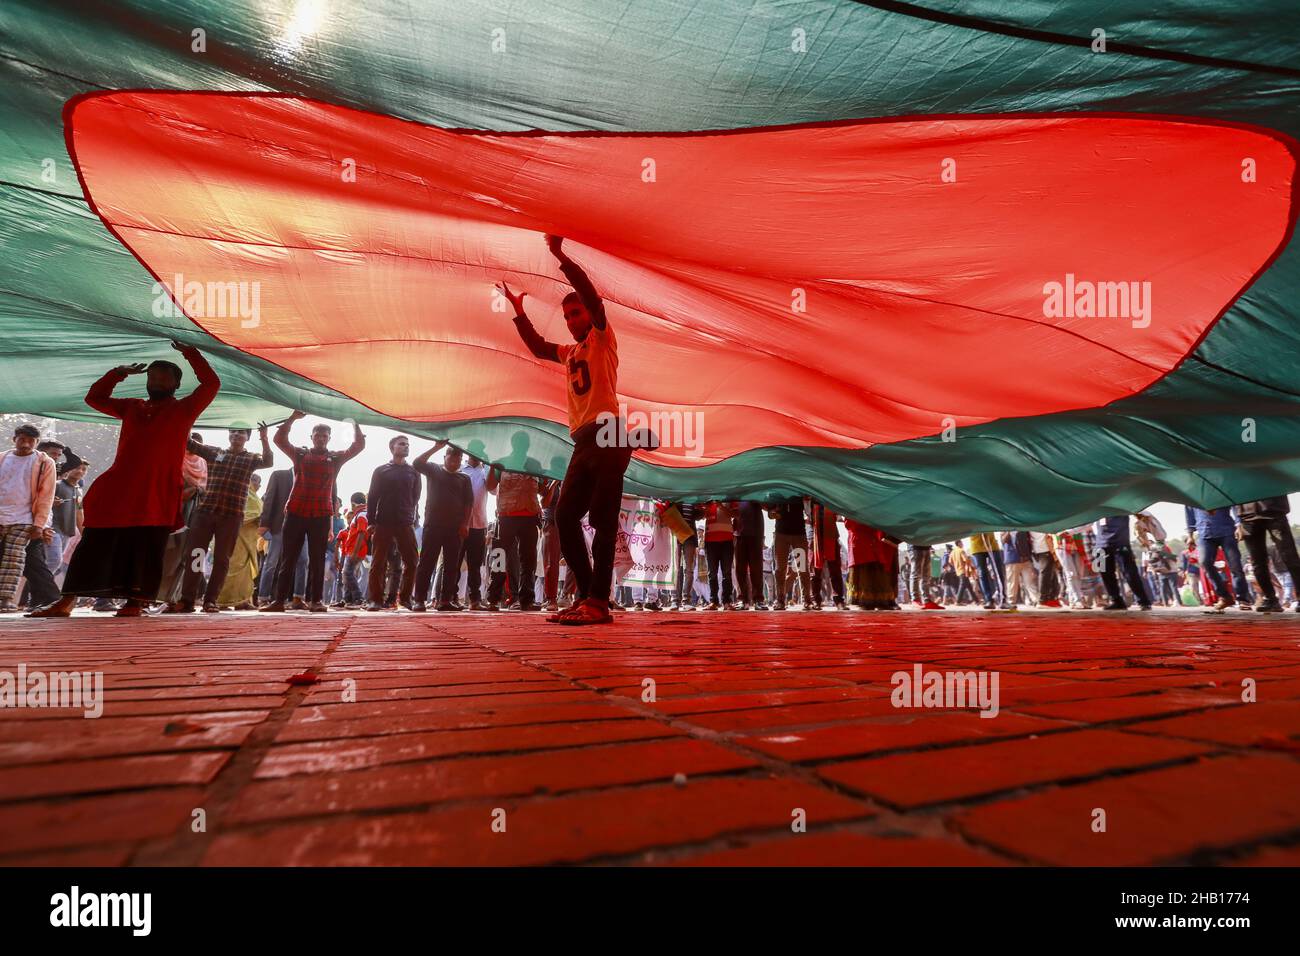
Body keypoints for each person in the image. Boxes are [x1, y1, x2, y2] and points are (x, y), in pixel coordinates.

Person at [498, 234, 633, 625]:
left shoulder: (603, 339)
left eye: (578, 314)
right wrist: (519, 312)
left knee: (604, 519)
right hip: (584, 440)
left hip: (610, 434)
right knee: (566, 515)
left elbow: (592, 298)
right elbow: (540, 348)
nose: (574, 320)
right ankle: (590, 595)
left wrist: (560, 255)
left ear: (589, 316)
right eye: (568, 316)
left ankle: (598, 601)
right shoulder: (570, 351)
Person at [30, 343, 220, 617]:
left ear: (176, 384)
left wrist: (192, 354)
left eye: (164, 377)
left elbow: (211, 383)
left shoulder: (185, 409)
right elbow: (94, 398)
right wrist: (118, 373)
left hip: (156, 491)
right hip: (119, 488)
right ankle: (66, 601)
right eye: (152, 377)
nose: (156, 381)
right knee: (94, 541)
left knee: (146, 546)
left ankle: (136, 602)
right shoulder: (132, 407)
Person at [260, 413, 364, 613]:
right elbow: (279, 440)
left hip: (321, 515)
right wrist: (292, 418)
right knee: (287, 558)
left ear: (329, 438)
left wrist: (355, 423)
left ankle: (316, 601)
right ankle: (279, 601)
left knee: (317, 560)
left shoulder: (334, 458)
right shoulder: (300, 454)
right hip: (295, 512)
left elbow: (357, 446)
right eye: (318, 434)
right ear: (312, 437)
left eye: (325, 435)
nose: (321, 438)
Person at [167, 424, 273, 613]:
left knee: (222, 559)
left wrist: (264, 438)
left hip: (231, 516)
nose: (236, 435)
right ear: (229, 436)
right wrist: (187, 421)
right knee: (196, 555)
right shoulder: (214, 453)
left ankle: (210, 601)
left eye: (241, 432)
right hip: (205, 512)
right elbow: (189, 443)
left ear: (247, 438)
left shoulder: (250, 459)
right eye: (233, 432)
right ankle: (187, 599)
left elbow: (268, 461)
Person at [0, 424, 57, 612]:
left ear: (37, 442)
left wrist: (40, 524)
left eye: (31, 441)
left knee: (13, 560)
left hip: (24, 519)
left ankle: (6, 599)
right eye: (22, 439)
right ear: (14, 439)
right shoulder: (2, 458)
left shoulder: (44, 463)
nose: (25, 444)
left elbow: (46, 495)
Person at [412, 441, 472, 611]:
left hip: (455, 528)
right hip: (433, 525)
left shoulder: (464, 478)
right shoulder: (434, 469)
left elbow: (469, 503)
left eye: (459, 459)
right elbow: (417, 463)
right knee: (426, 563)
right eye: (452, 458)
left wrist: (465, 524)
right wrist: (436, 447)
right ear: (445, 457)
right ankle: (419, 600)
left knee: (452, 565)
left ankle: (445, 601)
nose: (455, 462)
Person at [363, 436, 422, 612]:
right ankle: (375, 600)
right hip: (383, 522)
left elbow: (415, 497)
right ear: (392, 447)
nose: (406, 447)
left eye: (408, 445)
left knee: (412, 561)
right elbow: (372, 497)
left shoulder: (413, 472)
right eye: (402, 444)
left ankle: (405, 599)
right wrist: (371, 521)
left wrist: (410, 516)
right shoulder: (381, 471)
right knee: (378, 563)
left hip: (405, 522)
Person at [486, 464, 544, 611]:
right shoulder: (501, 463)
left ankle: (527, 600)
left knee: (528, 561)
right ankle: (493, 599)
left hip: (530, 518)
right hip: (506, 517)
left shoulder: (535, 464)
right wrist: (493, 467)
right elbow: (490, 486)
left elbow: (543, 490)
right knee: (499, 558)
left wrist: (546, 475)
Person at [1233, 496, 1300, 612]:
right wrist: (1237, 523)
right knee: (1257, 561)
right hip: (1247, 516)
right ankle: (1270, 599)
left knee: (1289, 556)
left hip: (1274, 512)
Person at [1184, 505, 1251, 612]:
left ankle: (1243, 599)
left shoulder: (1219, 490)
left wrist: (1239, 525)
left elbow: (1234, 506)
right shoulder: (1190, 496)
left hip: (1227, 531)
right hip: (1204, 533)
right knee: (1205, 562)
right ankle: (1224, 596)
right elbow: (1189, 515)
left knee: (1235, 565)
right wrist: (1190, 535)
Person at [257, 464, 304, 606]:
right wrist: (265, 523)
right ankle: (263, 597)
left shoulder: (309, 477)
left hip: (301, 527)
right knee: (271, 562)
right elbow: (269, 500)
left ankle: (298, 598)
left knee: (303, 561)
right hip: (279, 526)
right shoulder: (279, 475)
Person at [216, 472, 264, 609]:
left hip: (250, 540)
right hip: (237, 538)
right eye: (254, 481)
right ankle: (222, 601)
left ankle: (242, 601)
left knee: (246, 573)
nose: (257, 485)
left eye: (258, 482)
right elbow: (238, 514)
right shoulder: (241, 492)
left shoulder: (255, 497)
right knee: (232, 568)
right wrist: (256, 518)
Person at [1093, 514, 1152, 611]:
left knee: (1130, 573)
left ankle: (1143, 601)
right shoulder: (1096, 508)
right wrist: (1068, 531)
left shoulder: (1120, 504)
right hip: (1101, 544)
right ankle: (1116, 601)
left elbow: (1143, 512)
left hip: (1120, 542)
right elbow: (1085, 522)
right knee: (1106, 574)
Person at [845, 519, 899, 610]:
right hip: (859, 540)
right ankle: (865, 602)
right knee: (864, 572)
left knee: (877, 571)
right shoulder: (851, 507)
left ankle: (879, 601)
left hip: (874, 540)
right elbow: (849, 524)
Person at [769, 497, 812, 610]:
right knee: (780, 569)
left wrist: (806, 501)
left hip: (799, 534)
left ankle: (807, 600)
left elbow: (809, 511)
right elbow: (770, 510)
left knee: (802, 568)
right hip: (781, 534)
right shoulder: (777, 491)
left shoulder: (799, 489)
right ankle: (780, 600)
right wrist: (772, 513)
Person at [701, 500, 735, 610]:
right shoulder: (707, 499)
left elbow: (735, 514)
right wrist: (705, 508)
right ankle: (713, 601)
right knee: (712, 573)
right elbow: (701, 515)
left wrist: (721, 505)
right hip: (710, 541)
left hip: (727, 540)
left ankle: (727, 601)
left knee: (727, 573)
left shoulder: (728, 496)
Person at [732, 500, 766, 609]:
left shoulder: (757, 490)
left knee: (756, 568)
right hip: (739, 534)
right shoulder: (737, 493)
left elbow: (767, 505)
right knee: (740, 569)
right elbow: (732, 511)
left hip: (755, 533)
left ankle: (758, 600)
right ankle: (743, 600)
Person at [339, 492, 368, 607]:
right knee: (347, 574)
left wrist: (355, 552)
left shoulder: (361, 515)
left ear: (353, 504)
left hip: (356, 550)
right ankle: (347, 600)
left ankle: (358, 598)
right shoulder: (361, 514)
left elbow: (361, 533)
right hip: (353, 550)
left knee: (347, 573)